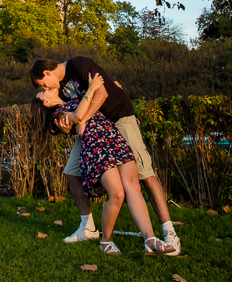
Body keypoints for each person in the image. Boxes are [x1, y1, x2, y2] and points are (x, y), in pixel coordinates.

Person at [30, 56, 180, 255]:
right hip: (97, 135)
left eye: (43, 85)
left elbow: (101, 94)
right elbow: (76, 115)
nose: (45, 89)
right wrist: (80, 117)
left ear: (47, 73)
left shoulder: (78, 65)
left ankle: (168, 231)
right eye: (43, 90)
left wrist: (88, 110)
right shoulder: (61, 92)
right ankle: (89, 228)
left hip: (118, 120)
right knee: (71, 171)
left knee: (143, 175)